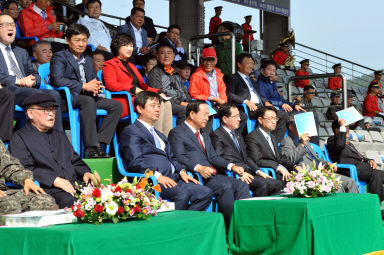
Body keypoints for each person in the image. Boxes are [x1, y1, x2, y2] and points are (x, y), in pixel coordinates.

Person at [9, 83, 100, 209]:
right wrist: (53, 179)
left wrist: (86, 173)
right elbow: (24, 170)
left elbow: (75, 161)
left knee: (103, 196)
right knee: (72, 202)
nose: (51, 114)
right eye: (45, 110)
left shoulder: (59, 136)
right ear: (30, 114)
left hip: (74, 185)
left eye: (52, 110)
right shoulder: (19, 138)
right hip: (48, 189)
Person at [119, 91, 213, 211]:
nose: (157, 109)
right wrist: (157, 176)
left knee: (205, 193)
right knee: (182, 195)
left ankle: (185, 225)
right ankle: (175, 228)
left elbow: (172, 158)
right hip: (152, 180)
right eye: (153, 105)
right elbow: (135, 162)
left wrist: (182, 171)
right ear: (139, 108)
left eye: (159, 106)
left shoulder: (160, 135)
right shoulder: (131, 131)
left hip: (174, 178)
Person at [168, 100, 250, 227]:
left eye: (208, 114)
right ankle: (230, 229)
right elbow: (179, 157)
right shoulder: (177, 132)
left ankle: (243, 224)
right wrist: (198, 168)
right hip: (199, 176)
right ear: (192, 114)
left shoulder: (204, 134)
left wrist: (232, 166)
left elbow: (213, 157)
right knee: (226, 186)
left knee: (242, 185)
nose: (207, 118)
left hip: (213, 174)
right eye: (204, 114)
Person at [50, 24, 122, 158]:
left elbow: (93, 79)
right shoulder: (59, 57)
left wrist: (96, 86)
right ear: (67, 40)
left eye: (84, 40)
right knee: (88, 101)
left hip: (87, 96)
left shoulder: (88, 59)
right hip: (68, 98)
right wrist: (83, 86)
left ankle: (100, 143)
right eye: (77, 40)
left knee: (116, 105)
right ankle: (91, 149)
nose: (81, 44)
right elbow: (57, 80)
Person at [0, 14, 63, 131]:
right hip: (7, 90)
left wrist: (32, 81)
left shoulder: (21, 52)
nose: (10, 28)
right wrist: (18, 80)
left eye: (12, 25)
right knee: (38, 96)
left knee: (54, 95)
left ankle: (58, 139)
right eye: (5, 25)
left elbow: (36, 75)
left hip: (27, 89)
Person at [103, 34, 172, 136]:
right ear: (117, 47)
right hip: (126, 100)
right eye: (126, 46)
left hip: (139, 97)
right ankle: (155, 140)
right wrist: (132, 89)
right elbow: (111, 85)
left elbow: (144, 87)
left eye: (131, 46)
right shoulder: (110, 64)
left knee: (167, 103)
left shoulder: (132, 66)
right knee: (156, 103)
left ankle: (165, 141)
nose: (129, 49)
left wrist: (158, 91)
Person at [211, 103, 285, 197]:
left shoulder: (238, 135)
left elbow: (247, 157)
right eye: (236, 116)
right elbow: (219, 158)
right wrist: (238, 172)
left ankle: (270, 210)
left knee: (277, 184)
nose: (239, 119)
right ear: (225, 119)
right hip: (235, 174)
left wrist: (258, 170)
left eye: (239, 116)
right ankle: (255, 210)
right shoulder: (217, 135)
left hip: (249, 171)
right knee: (262, 185)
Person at [280, 116, 359, 193]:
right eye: (298, 126)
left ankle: (357, 206)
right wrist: (302, 144)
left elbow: (315, 158)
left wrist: (327, 163)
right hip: (308, 175)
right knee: (338, 187)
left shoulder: (305, 141)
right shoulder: (287, 141)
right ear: (290, 127)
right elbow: (289, 160)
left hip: (320, 173)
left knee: (350, 182)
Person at [227, 53, 289, 140]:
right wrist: (245, 101)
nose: (251, 66)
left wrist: (266, 102)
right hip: (248, 108)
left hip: (260, 107)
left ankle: (273, 141)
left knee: (283, 115)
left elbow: (259, 96)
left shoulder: (252, 81)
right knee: (268, 116)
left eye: (252, 63)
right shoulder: (232, 78)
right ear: (239, 64)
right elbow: (229, 95)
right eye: (247, 63)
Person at [327, 119, 384, 201]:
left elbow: (360, 156)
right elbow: (340, 144)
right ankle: (376, 203)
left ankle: (378, 199)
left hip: (362, 168)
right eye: (345, 127)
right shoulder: (332, 141)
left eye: (348, 127)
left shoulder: (349, 143)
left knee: (380, 174)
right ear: (337, 130)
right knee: (376, 174)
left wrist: (369, 160)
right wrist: (342, 126)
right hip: (350, 170)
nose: (348, 130)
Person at [0, 139, 57, 214]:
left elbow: (8, 166)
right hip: (5, 201)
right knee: (9, 206)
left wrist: (26, 179)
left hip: (5, 193)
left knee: (45, 202)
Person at [245, 106, 300, 182]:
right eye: (270, 118)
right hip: (269, 173)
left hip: (279, 171)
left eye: (275, 118)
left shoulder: (272, 137)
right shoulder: (252, 137)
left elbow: (280, 158)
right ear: (260, 120)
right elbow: (257, 160)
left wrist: (294, 166)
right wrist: (277, 167)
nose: (274, 122)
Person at [147, 42, 191, 126]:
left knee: (204, 108)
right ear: (157, 56)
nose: (166, 56)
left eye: (169, 53)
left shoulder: (175, 73)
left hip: (179, 103)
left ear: (174, 55)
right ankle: (180, 138)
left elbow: (184, 92)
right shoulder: (155, 73)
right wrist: (181, 103)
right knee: (184, 110)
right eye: (162, 53)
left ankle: (201, 138)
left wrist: (190, 102)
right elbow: (160, 95)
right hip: (166, 104)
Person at [189, 47, 227, 133]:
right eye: (205, 60)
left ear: (216, 61)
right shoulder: (196, 75)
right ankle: (206, 140)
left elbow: (222, 90)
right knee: (208, 112)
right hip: (206, 104)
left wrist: (223, 101)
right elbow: (193, 94)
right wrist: (212, 98)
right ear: (201, 61)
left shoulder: (219, 75)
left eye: (211, 60)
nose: (208, 63)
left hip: (219, 105)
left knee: (239, 115)